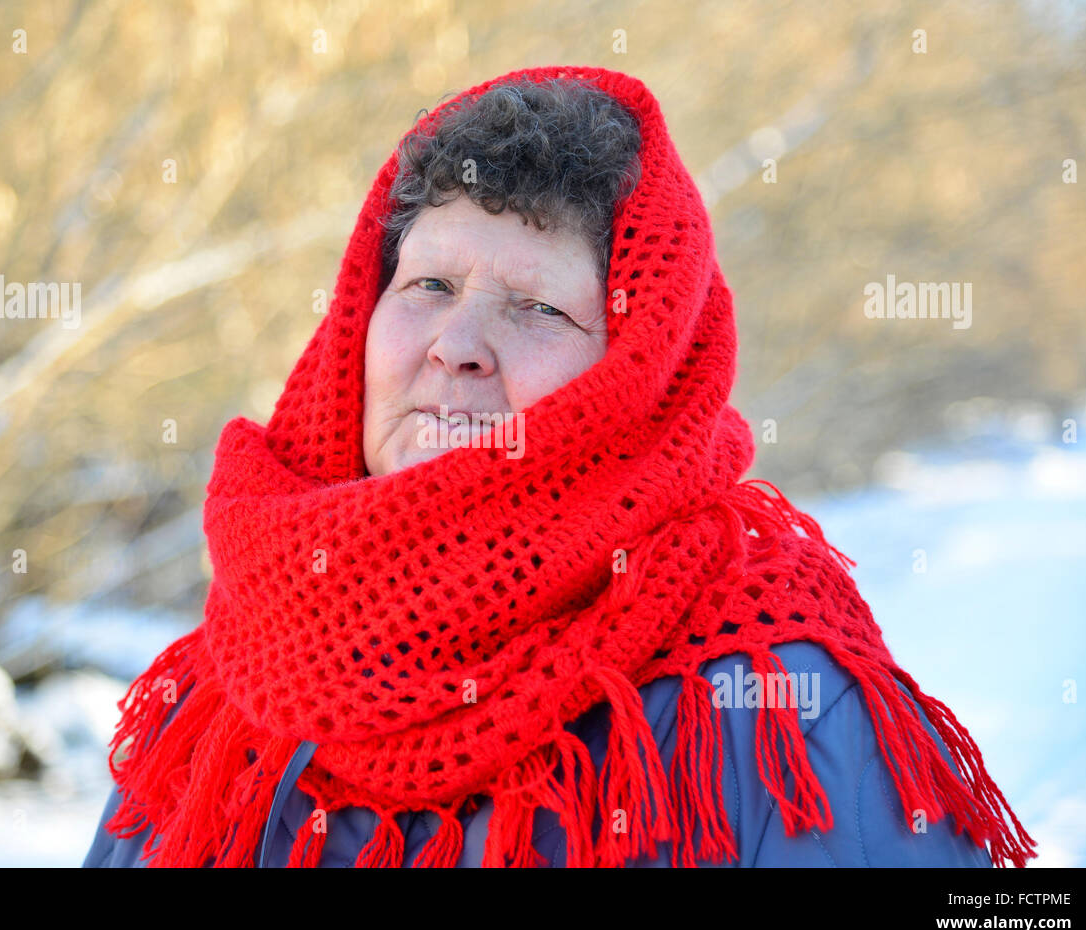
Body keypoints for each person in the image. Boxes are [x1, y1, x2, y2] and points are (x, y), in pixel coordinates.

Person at [83, 64, 1036, 868]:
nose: (457, 344)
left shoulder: (774, 713)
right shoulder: (226, 689)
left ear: (639, 377)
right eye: (428, 285)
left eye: (536, 307)